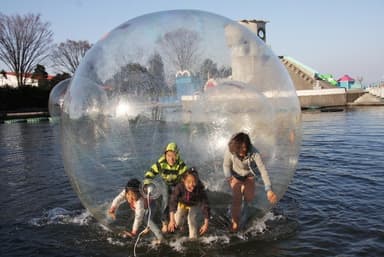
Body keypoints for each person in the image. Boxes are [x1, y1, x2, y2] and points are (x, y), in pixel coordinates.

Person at [223, 132, 277, 232]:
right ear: (236, 146)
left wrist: (268, 189)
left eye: (245, 148)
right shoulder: (231, 150)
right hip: (235, 175)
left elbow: (263, 170)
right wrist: (228, 178)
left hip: (249, 175)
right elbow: (226, 165)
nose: (243, 150)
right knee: (237, 199)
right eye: (241, 148)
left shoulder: (254, 152)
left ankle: (245, 208)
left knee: (249, 198)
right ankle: (235, 222)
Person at [143, 142, 188, 233]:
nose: (171, 158)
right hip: (165, 183)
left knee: (182, 200)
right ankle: (165, 222)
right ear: (165, 155)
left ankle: (183, 223)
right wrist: (147, 183)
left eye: (173, 155)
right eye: (168, 155)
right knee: (166, 199)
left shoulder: (180, 164)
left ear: (177, 155)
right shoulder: (161, 162)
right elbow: (151, 172)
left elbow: (186, 177)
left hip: (177, 183)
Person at [108, 178, 164, 243]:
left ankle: (160, 238)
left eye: (134, 197)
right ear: (126, 192)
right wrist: (112, 208)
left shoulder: (140, 201)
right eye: (129, 196)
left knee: (147, 220)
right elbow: (117, 199)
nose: (131, 199)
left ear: (139, 194)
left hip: (151, 206)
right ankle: (143, 228)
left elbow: (138, 217)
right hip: (139, 207)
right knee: (134, 218)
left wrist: (134, 232)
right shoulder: (126, 192)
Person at [168, 167, 210, 239]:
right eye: (188, 182)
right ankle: (180, 230)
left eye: (194, 182)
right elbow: (173, 202)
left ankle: (193, 240)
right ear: (183, 180)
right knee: (177, 222)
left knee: (191, 220)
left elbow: (205, 206)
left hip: (194, 205)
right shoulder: (179, 187)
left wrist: (206, 224)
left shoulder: (200, 189)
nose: (192, 185)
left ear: (197, 180)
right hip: (182, 204)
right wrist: (171, 220)